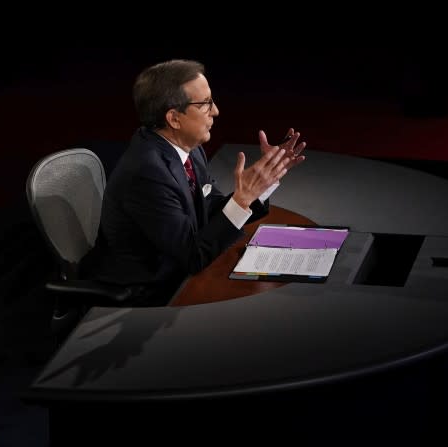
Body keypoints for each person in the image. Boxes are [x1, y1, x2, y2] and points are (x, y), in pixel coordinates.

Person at [84, 59, 306, 306]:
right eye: (205, 104)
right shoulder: (147, 173)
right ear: (174, 119)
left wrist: (259, 186)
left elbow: (208, 210)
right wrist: (242, 199)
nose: (216, 111)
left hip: (182, 270)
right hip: (151, 292)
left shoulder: (187, 148)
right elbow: (192, 256)